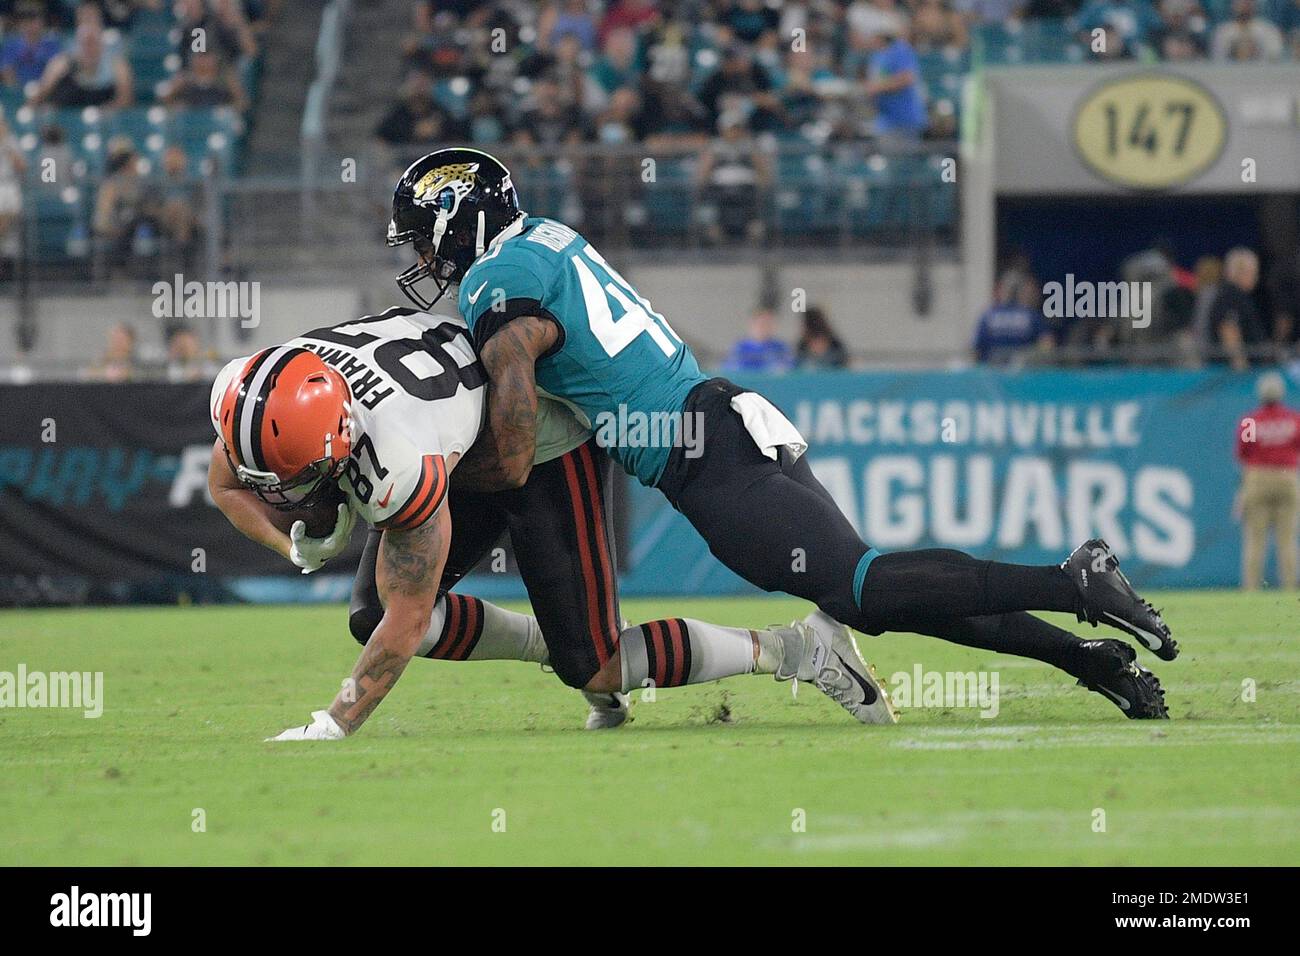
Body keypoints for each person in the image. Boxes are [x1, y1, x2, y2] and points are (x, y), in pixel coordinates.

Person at [388, 147, 1177, 722]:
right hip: (725, 416)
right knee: (872, 593)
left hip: (702, 455)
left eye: (424, 233)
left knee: (864, 586)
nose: (422, 254)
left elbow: (520, 438)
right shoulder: (546, 238)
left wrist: (434, 478)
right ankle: (1085, 658)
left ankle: (1072, 581)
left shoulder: (498, 277)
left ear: (461, 218)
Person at [211, 310, 897, 740]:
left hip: (539, 440)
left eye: (296, 475)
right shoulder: (269, 388)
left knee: (591, 663)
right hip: (459, 437)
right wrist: (294, 542)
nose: (281, 490)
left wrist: (335, 722)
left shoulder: (395, 456)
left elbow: (412, 615)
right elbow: (227, 479)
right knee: (372, 611)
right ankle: (558, 639)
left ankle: (797, 649)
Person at [1235, 372, 1300, 590]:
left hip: (1257, 477)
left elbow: (1243, 453)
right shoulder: (1293, 419)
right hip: (1287, 477)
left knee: (1255, 540)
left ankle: (1251, 590)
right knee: (1287, 540)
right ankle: (1290, 588)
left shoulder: (1251, 422)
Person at [1207, 247, 1269, 371]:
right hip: (1231, 374)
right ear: (1238, 272)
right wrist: (1240, 365)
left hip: (1250, 369)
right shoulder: (1230, 295)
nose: (1256, 277)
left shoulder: (1240, 296)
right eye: (1253, 272)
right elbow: (1228, 329)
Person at [724, 307, 794, 372]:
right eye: (761, 324)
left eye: (768, 324)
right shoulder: (740, 347)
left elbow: (789, 367)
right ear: (752, 324)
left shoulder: (780, 347)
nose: (764, 327)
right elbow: (730, 367)